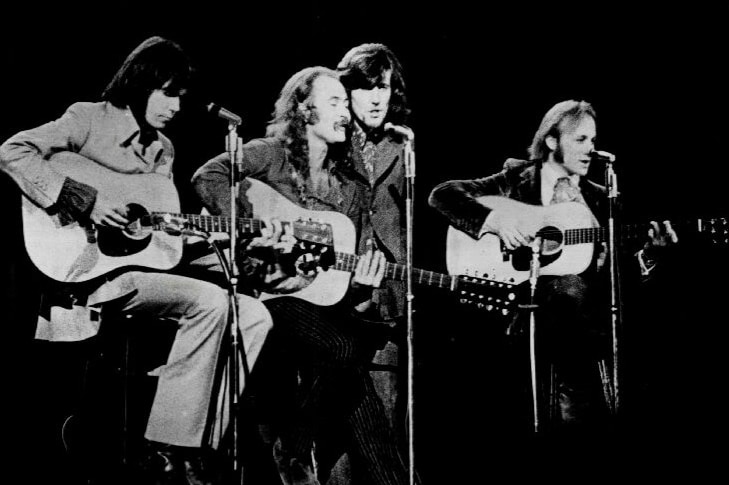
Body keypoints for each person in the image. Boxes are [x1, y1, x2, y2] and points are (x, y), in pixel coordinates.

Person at [0, 36, 272, 484]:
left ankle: (200, 445)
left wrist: (231, 238)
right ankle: (168, 445)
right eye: (167, 92)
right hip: (87, 275)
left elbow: (156, 236)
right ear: (140, 82)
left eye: (181, 98)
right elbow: (13, 151)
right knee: (212, 304)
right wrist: (81, 199)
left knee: (254, 313)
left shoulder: (164, 148)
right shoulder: (88, 118)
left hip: (141, 274)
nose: (175, 107)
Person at [192, 66, 413, 485]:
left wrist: (363, 283)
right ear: (304, 110)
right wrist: (247, 225)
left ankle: (373, 474)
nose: (346, 111)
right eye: (335, 102)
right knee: (345, 350)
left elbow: (335, 284)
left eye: (346, 103)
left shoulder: (350, 187)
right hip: (265, 296)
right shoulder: (270, 153)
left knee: (361, 392)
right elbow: (209, 175)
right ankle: (293, 449)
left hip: (312, 304)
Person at [428, 99, 677, 431]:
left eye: (593, 140)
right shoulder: (514, 178)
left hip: (578, 340)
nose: (591, 149)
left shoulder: (603, 198)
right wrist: (495, 220)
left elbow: (615, 285)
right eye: (580, 140)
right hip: (513, 321)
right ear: (551, 141)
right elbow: (443, 194)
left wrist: (648, 256)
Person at [336, 44, 411, 443]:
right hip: (338, 284)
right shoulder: (331, 137)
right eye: (367, 88)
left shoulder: (401, 146)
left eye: (383, 86)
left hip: (388, 293)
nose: (378, 97)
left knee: (385, 414)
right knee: (337, 416)